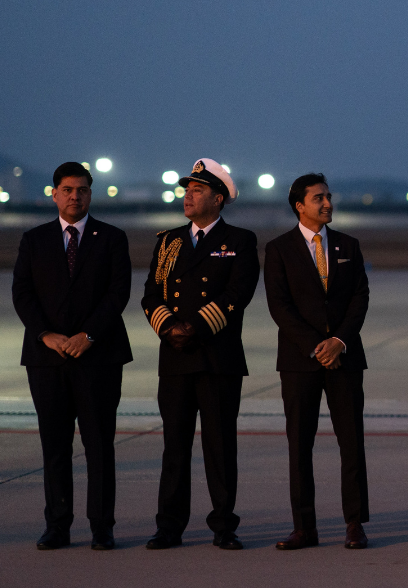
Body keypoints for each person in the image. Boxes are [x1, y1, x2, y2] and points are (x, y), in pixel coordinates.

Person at [12, 162, 133, 551]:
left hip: (98, 357)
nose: (74, 196)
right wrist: (45, 334)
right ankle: (57, 525)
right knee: (55, 444)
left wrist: (89, 335)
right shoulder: (34, 240)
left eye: (82, 190)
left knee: (99, 444)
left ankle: (102, 526)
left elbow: (118, 293)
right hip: (47, 358)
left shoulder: (111, 238)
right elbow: (22, 293)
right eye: (67, 189)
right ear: (54, 194)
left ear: (90, 194)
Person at [141, 159, 260, 551]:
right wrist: (168, 327)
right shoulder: (169, 240)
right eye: (186, 190)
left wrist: (195, 327)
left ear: (219, 198)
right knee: (174, 446)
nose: (187, 196)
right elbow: (151, 294)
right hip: (175, 359)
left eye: (197, 190)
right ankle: (169, 526)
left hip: (217, 358)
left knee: (220, 446)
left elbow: (237, 295)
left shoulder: (240, 241)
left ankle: (224, 525)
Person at [264, 173, 371, 551]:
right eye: (318, 198)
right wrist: (316, 346)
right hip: (299, 362)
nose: (327, 203)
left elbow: (360, 297)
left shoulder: (348, 245)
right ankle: (303, 528)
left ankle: (355, 524)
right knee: (299, 447)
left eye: (328, 196)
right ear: (299, 205)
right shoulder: (279, 249)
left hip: (345, 358)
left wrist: (339, 341)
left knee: (352, 443)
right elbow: (280, 307)